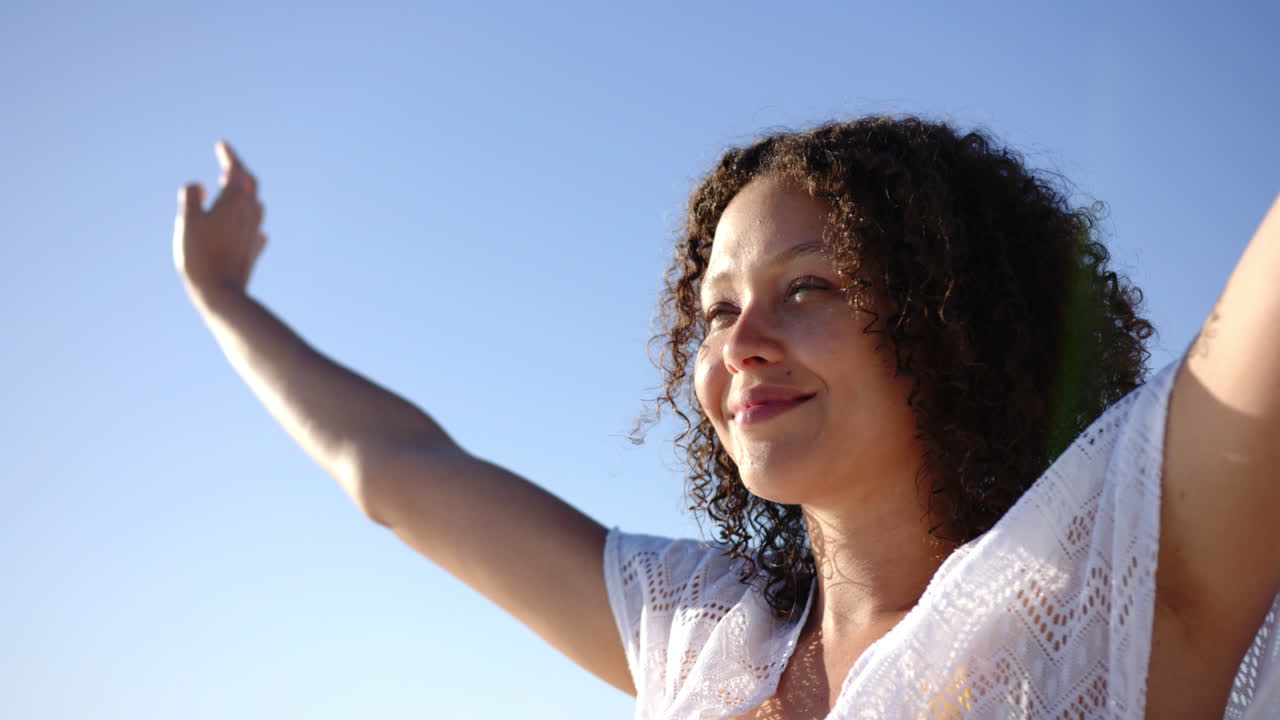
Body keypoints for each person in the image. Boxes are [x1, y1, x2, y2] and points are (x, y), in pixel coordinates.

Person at [173, 116, 1280, 719]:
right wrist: (222, 300)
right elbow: (396, 470)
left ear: (957, 319)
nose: (740, 342)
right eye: (715, 310)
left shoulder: (1114, 589)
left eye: (810, 287)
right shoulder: (704, 631)